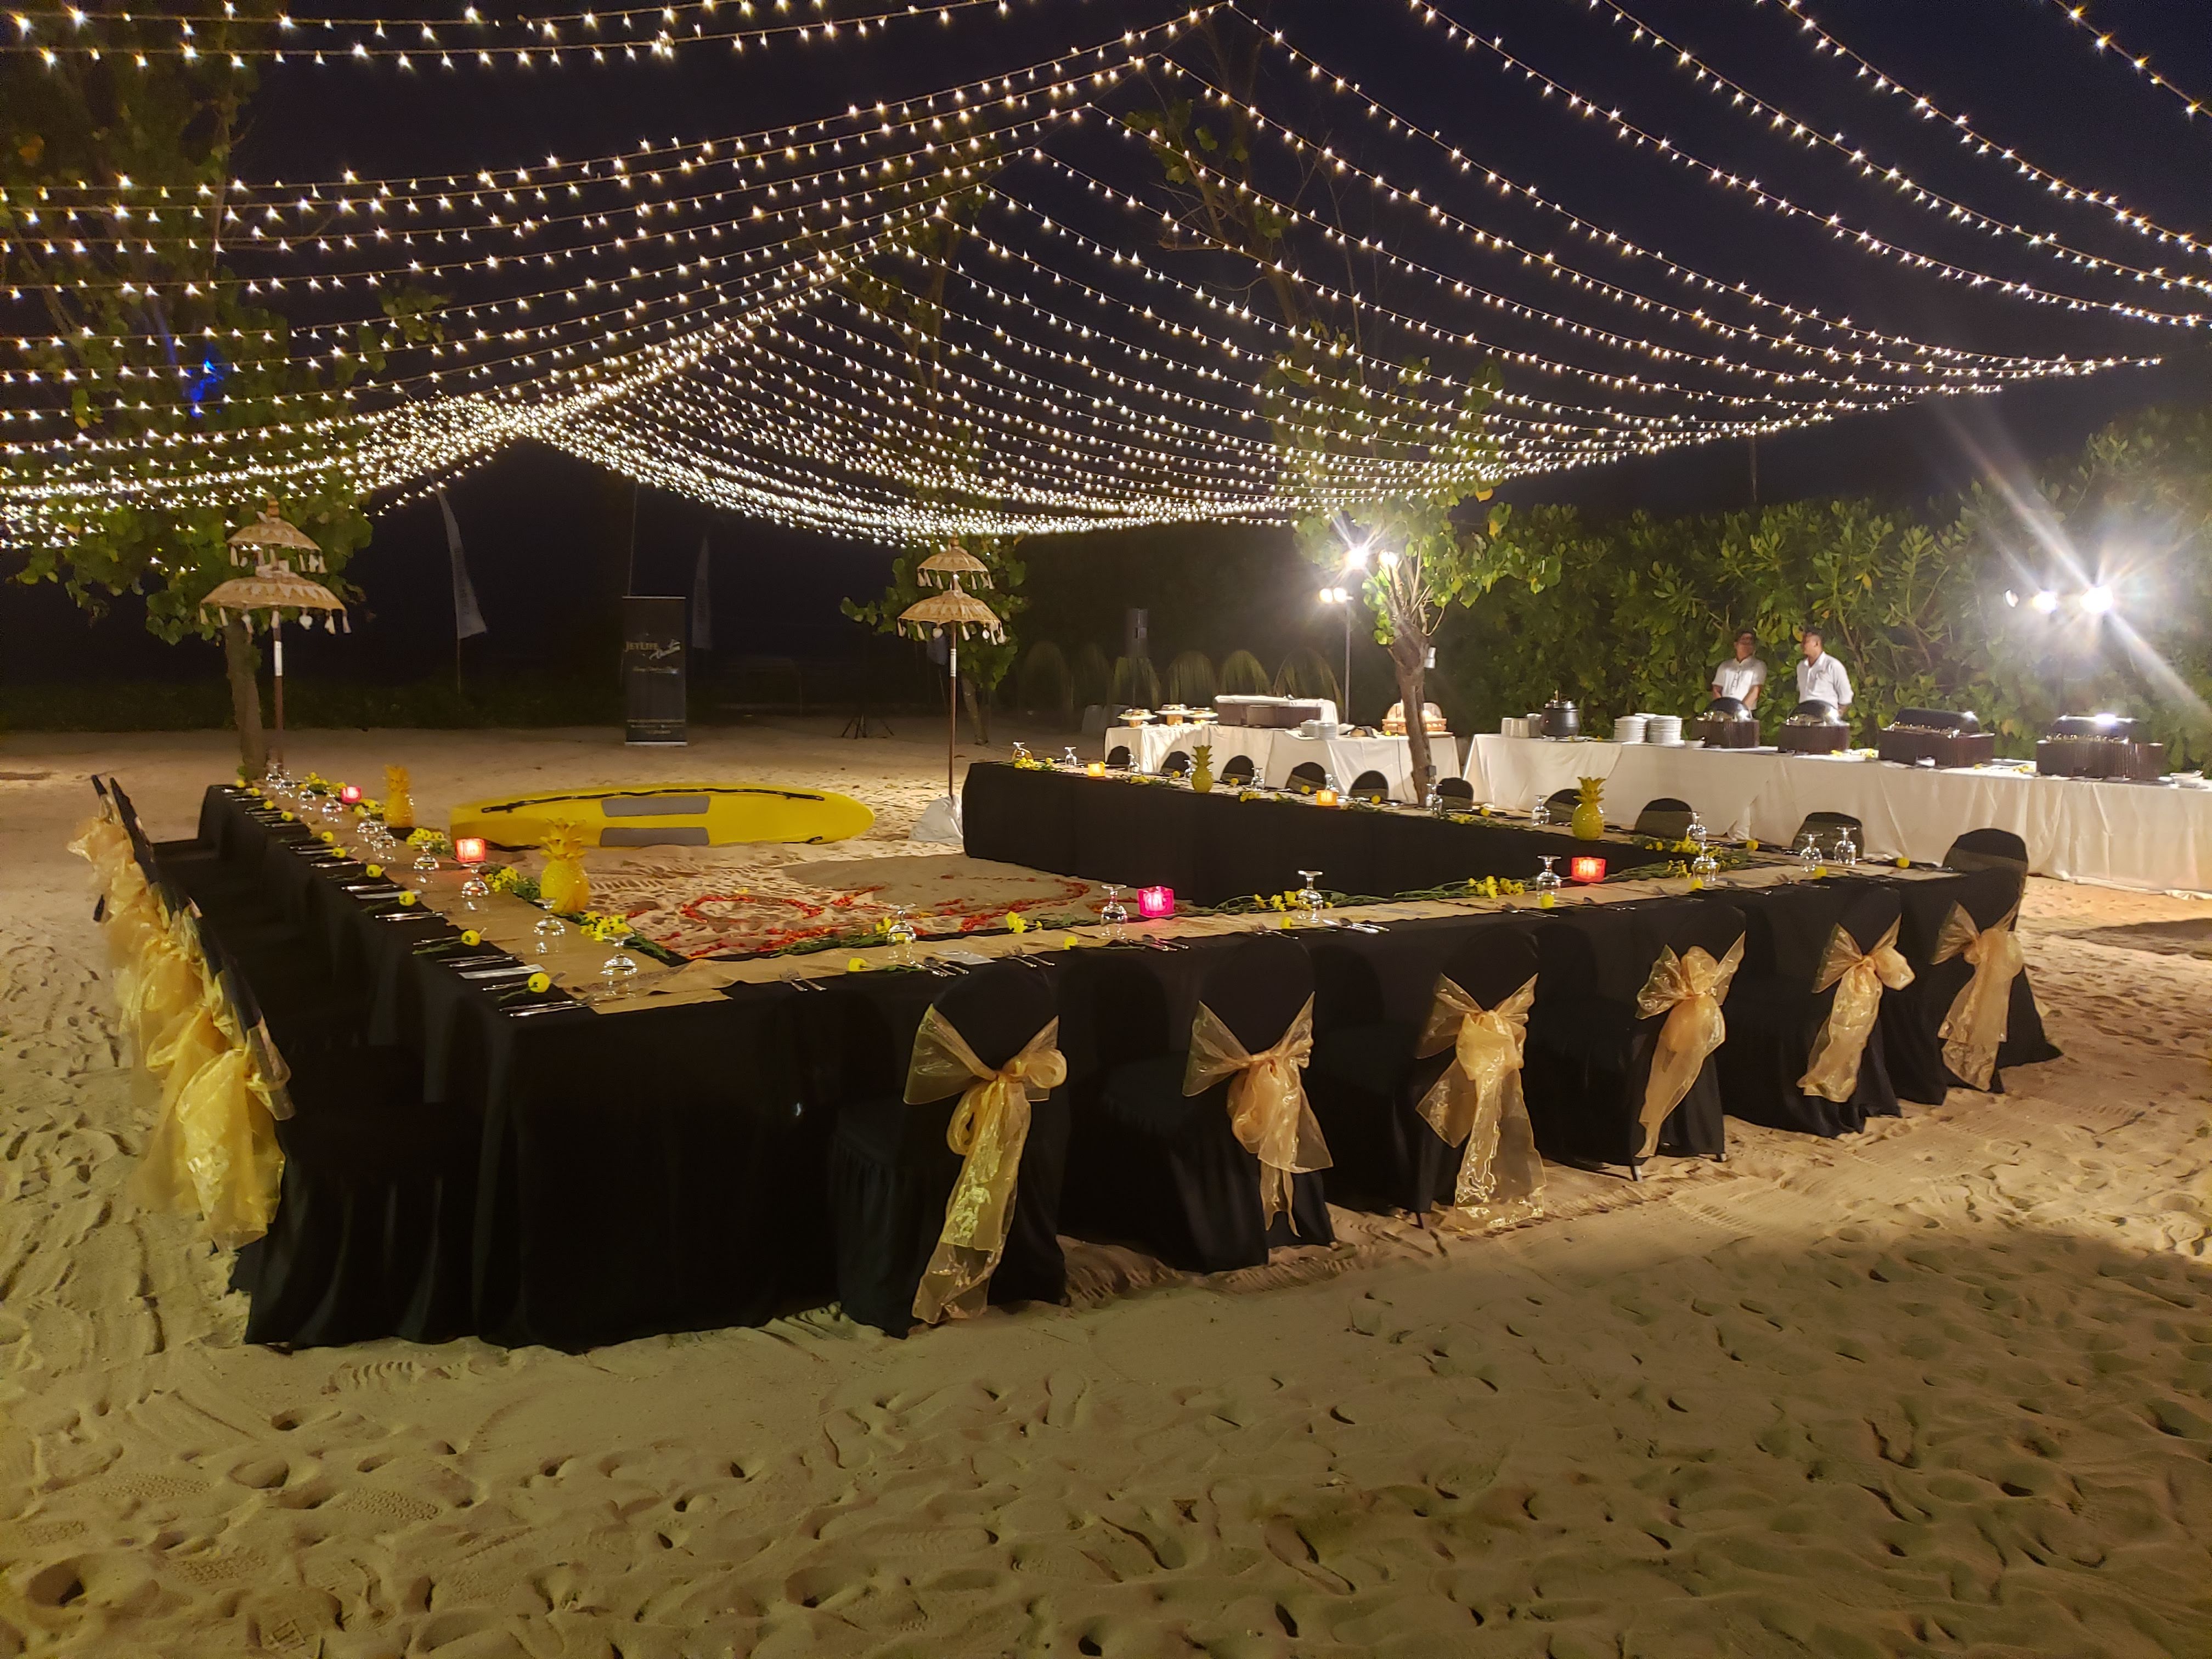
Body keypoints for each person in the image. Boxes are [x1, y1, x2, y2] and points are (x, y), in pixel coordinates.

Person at [1795, 627, 1853, 710]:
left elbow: (1846, 696)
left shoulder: (1833, 665)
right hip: (1805, 714)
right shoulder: (1801, 667)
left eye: (1806, 642)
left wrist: (1836, 716)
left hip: (1826, 714)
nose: (1802, 645)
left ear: (1816, 644)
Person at [1710, 629, 1768, 709]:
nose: (1747, 645)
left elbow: (1756, 691)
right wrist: (1723, 708)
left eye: (1750, 643)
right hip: (1723, 711)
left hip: (1745, 711)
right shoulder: (1725, 666)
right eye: (1744, 642)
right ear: (1736, 645)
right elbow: (1717, 689)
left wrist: (1739, 710)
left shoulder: (1759, 665)